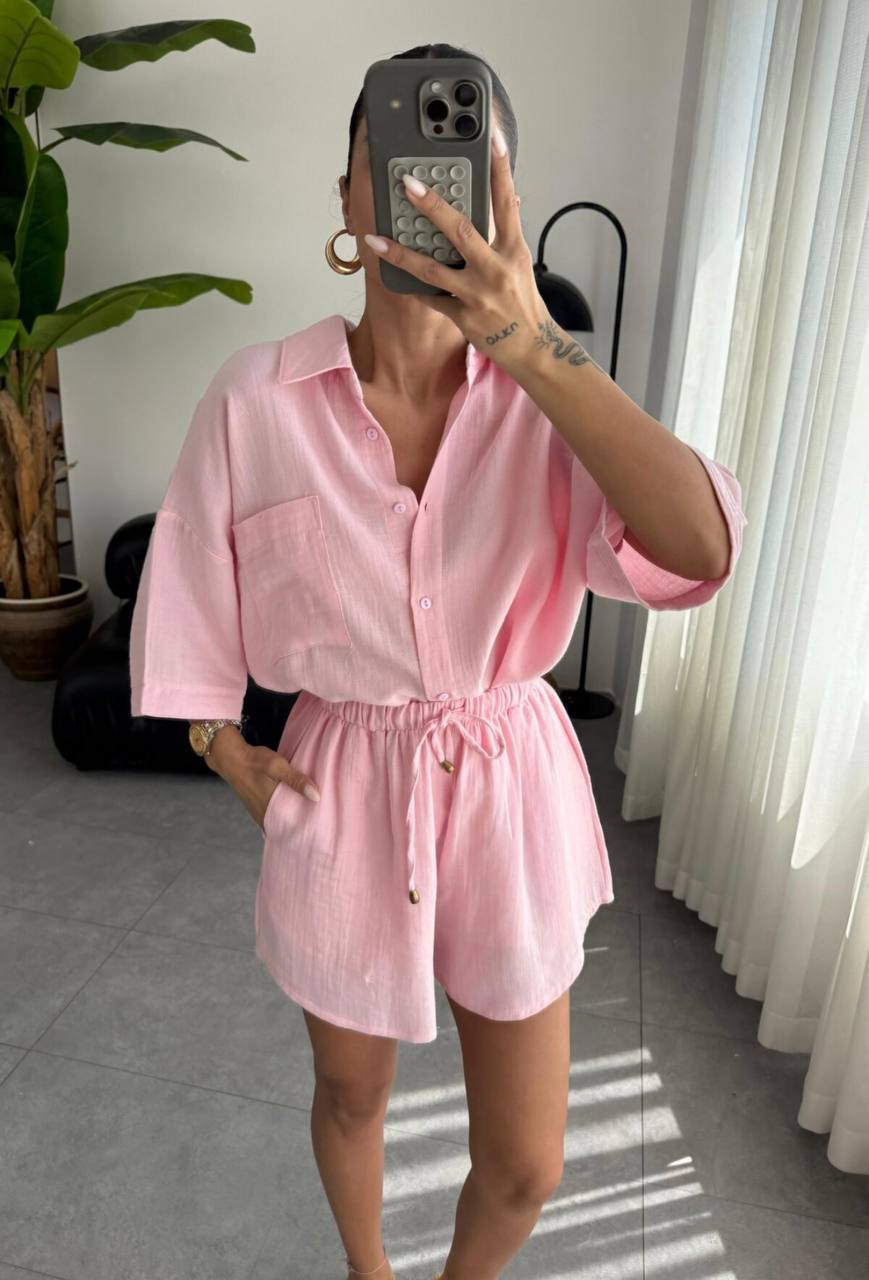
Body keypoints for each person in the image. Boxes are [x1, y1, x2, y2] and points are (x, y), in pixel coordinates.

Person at [129, 42, 747, 1280]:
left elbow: (698, 549)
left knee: (526, 1161)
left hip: (509, 777)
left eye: (459, 160)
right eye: (390, 158)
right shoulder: (255, 401)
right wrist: (220, 744)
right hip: (342, 782)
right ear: (344, 196)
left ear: (502, 197)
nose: (422, 187)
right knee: (350, 1093)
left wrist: (532, 343)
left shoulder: (549, 403)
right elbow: (187, 584)